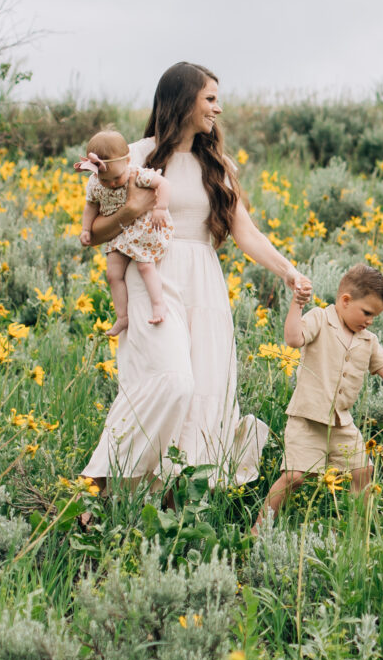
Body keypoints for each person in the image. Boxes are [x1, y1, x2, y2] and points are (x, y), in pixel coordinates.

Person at [79, 61, 312, 496]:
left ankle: (169, 497)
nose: (217, 109)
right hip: (152, 276)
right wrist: (133, 210)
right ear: (184, 101)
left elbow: (244, 231)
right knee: (171, 380)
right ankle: (103, 482)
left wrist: (288, 271)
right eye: (209, 99)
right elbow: (93, 235)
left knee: (204, 390)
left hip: (203, 281)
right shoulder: (135, 156)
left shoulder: (215, 163)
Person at [255, 265, 383, 527]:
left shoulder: (368, 340)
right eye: (367, 313)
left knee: (363, 471)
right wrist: (297, 304)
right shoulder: (320, 319)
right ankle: (259, 529)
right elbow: (294, 339)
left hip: (342, 424)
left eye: (374, 316)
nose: (369, 321)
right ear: (345, 300)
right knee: (294, 477)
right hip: (307, 419)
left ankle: (358, 530)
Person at [77, 128, 172, 334]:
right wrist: (86, 229)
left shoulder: (137, 174)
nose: (111, 183)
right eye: (105, 180)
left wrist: (160, 208)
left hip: (141, 230)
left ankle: (158, 303)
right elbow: (90, 206)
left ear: (127, 160)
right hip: (118, 235)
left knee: (145, 267)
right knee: (113, 275)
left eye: (116, 178)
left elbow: (163, 183)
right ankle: (123, 316)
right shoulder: (94, 183)